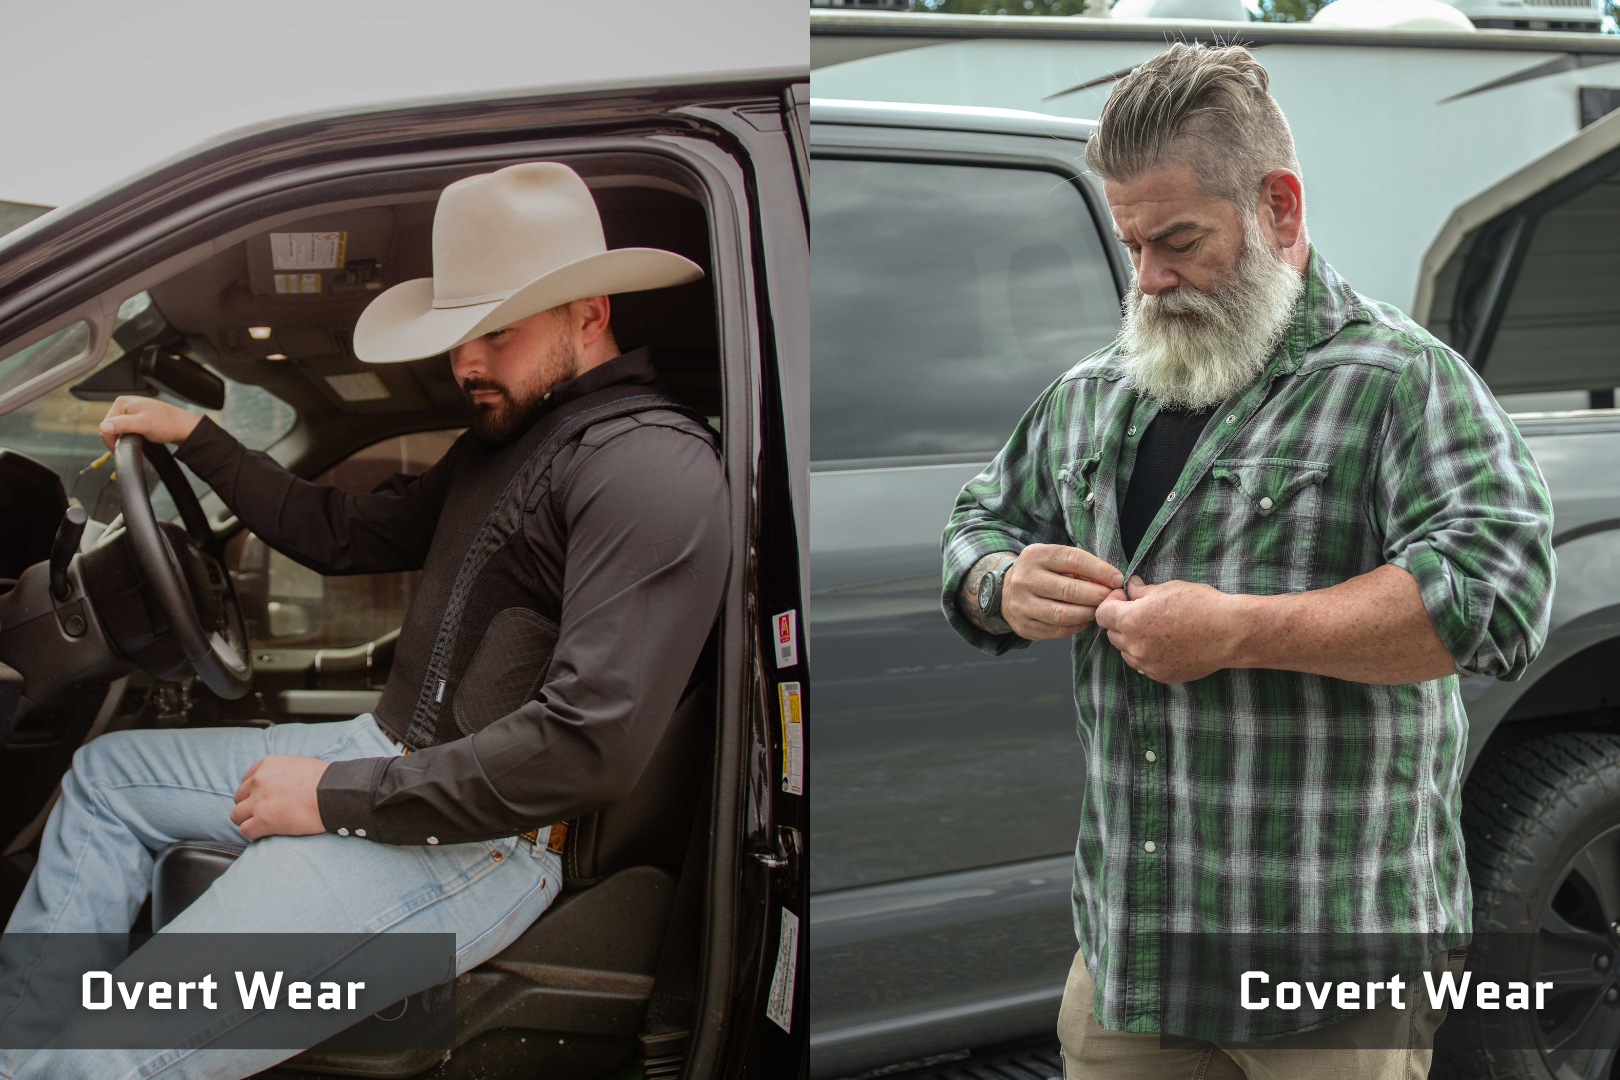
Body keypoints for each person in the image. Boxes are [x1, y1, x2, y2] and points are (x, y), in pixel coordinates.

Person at [0, 161, 730, 1079]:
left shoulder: (649, 469)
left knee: (115, 1051)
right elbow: (344, 535)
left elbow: (587, 746)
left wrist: (330, 799)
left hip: (484, 842)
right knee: (106, 779)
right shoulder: (503, 443)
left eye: (493, 332)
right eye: (457, 334)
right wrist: (202, 440)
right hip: (380, 755)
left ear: (588, 313)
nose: (464, 361)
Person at [940, 44, 1555, 1080]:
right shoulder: (1096, 391)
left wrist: (1243, 630)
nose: (1150, 277)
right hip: (1130, 963)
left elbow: (1496, 600)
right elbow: (977, 520)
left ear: (1279, 206)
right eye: (1133, 244)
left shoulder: (1402, 382)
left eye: (1179, 240)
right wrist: (998, 583)